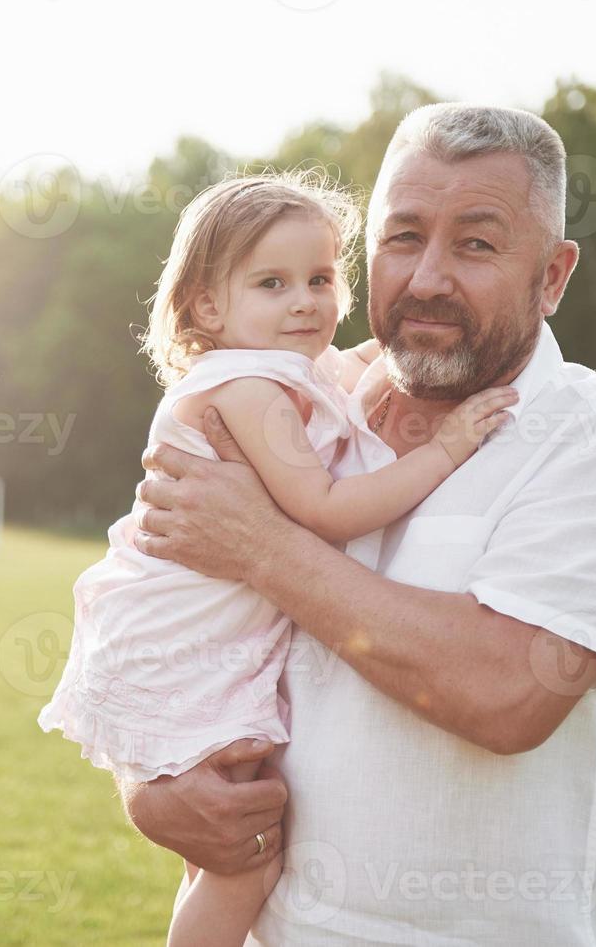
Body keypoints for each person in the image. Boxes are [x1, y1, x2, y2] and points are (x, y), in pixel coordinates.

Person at [122, 104, 596, 945]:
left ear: (551, 275)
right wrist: (153, 786)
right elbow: (159, 611)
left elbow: (508, 694)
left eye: (475, 243)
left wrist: (262, 548)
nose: (426, 278)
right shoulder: (293, 406)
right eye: (401, 237)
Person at [38, 170, 517, 947]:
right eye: (272, 283)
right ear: (207, 306)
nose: (305, 301)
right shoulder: (249, 391)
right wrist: (450, 446)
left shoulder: (283, 367)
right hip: (178, 645)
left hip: (178, 632)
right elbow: (322, 512)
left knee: (220, 848)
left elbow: (360, 361)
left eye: (321, 278)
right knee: (246, 864)